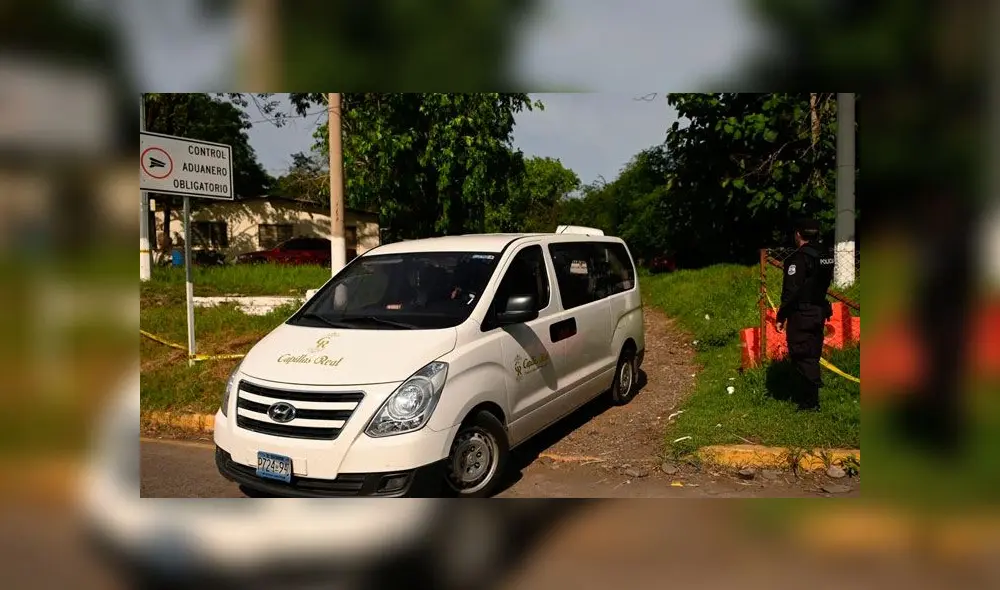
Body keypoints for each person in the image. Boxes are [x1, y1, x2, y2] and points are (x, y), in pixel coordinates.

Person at [775, 218, 835, 411]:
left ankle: (810, 401)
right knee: (812, 351)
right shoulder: (826, 255)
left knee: (801, 352)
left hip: (802, 313)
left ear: (798, 234)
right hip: (819, 310)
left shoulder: (798, 259)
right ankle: (810, 398)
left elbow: (791, 291)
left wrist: (781, 315)